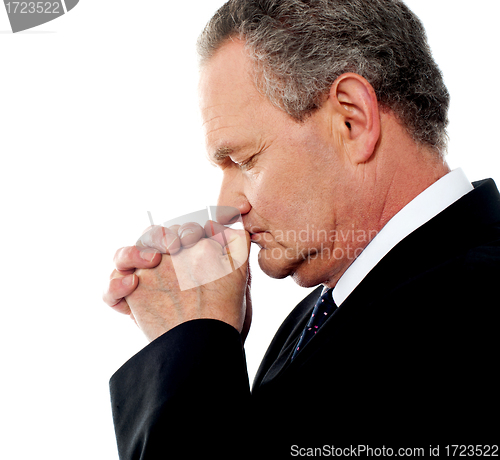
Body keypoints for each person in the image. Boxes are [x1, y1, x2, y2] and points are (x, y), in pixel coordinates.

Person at [103, 0, 500, 457]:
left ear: (352, 120)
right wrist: (211, 346)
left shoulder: (478, 307)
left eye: (245, 160)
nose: (229, 206)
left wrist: (191, 348)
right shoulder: (322, 312)